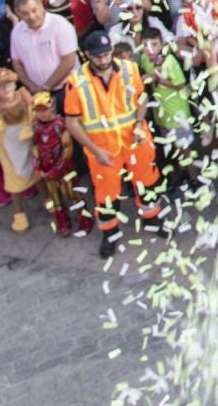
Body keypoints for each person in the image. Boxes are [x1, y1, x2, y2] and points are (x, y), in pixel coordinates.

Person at [61, 30, 162, 258]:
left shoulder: (129, 69)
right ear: (86, 55)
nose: (104, 60)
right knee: (107, 195)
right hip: (102, 148)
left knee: (146, 182)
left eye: (107, 55)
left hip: (135, 141)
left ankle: (151, 218)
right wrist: (96, 151)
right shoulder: (76, 82)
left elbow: (141, 99)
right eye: (98, 57)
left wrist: (138, 125)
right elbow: (72, 123)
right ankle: (110, 233)